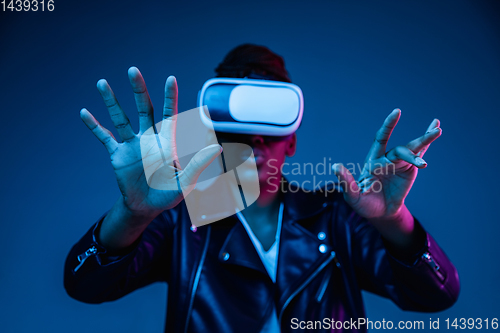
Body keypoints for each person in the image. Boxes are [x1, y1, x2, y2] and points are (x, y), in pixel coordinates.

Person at [64, 44, 460, 332]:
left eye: (269, 126)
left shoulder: (336, 214)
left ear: (291, 141)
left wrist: (395, 219)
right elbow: (85, 286)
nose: (253, 139)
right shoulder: (183, 220)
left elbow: (436, 296)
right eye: (237, 126)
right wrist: (133, 212)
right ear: (212, 135)